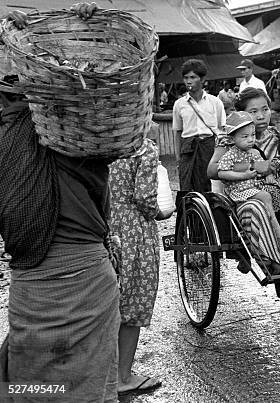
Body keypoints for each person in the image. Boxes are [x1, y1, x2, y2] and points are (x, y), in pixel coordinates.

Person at [0, 4, 121, 401]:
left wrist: (88, 28)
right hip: (41, 289)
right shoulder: (81, 130)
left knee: (39, 390)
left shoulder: (79, 129)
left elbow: (104, 74)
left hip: (72, 286)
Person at [208, 88, 280, 276]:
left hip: (273, 191)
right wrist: (246, 170)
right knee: (257, 207)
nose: (261, 116)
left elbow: (278, 169)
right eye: (253, 112)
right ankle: (275, 265)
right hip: (243, 196)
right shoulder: (229, 139)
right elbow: (211, 170)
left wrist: (271, 169)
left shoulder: (276, 137)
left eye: (265, 109)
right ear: (243, 115)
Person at [109, 130, 162, 396]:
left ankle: (103, 374)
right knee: (134, 301)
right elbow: (145, 198)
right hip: (135, 229)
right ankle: (123, 377)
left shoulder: (100, 144)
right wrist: (160, 212)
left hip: (104, 225)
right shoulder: (144, 149)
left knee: (108, 301)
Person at [217, 111, 280, 260]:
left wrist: (269, 173)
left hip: (254, 187)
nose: (250, 140)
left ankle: (277, 242)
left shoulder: (253, 153)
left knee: (273, 194)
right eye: (245, 137)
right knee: (265, 196)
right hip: (238, 191)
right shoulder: (230, 154)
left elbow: (262, 167)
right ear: (232, 138)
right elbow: (222, 173)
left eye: (252, 135)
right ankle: (277, 231)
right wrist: (243, 175)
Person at [172, 59, 226, 197]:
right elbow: (178, 132)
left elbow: (222, 131)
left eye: (193, 77)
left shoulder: (215, 102)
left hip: (209, 148)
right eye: (186, 78)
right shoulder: (179, 104)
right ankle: (189, 217)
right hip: (188, 149)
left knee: (208, 186)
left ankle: (208, 216)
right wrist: (179, 159)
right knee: (186, 187)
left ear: (202, 79)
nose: (188, 81)